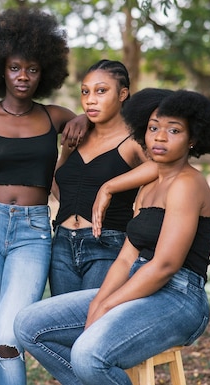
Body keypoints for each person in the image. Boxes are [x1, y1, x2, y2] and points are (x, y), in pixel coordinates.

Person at [15, 88, 210, 385]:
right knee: (29, 325)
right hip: (138, 284)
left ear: (193, 139)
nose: (160, 137)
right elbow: (127, 257)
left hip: (179, 297)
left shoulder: (188, 184)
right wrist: (99, 302)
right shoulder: (147, 187)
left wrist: (107, 305)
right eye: (153, 128)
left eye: (174, 130)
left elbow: (165, 265)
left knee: (88, 354)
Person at [0, 7, 88, 385]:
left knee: (11, 338)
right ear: (0, 69)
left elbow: (96, 118)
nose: (23, 76)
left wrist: (83, 119)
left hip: (32, 232)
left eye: (32, 68)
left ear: (45, 72)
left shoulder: (54, 117)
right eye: (15, 68)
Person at [49, 60, 155, 296]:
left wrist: (109, 187)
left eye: (101, 91)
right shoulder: (77, 135)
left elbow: (161, 168)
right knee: (64, 326)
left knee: (92, 324)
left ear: (122, 94)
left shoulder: (134, 140)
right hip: (62, 244)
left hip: (106, 244)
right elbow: (60, 176)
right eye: (85, 91)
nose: (90, 99)